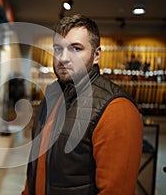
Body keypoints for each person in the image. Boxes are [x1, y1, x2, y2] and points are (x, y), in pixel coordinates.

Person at [22, 14, 143, 195]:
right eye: (58, 49)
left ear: (96, 55)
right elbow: (36, 168)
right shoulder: (53, 94)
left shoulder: (116, 109)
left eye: (76, 49)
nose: (63, 58)